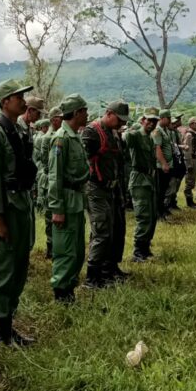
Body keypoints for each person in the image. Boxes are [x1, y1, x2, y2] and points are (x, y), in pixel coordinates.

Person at [0, 80, 37, 345]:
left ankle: (8, 324)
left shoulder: (18, 129)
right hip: (6, 207)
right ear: (5, 101)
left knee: (18, 268)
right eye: (17, 96)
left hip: (21, 204)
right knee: (2, 271)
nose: (23, 100)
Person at [46, 94, 91, 304]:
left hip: (76, 199)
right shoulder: (61, 138)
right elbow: (54, 176)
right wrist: (57, 208)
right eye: (84, 110)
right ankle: (61, 292)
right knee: (65, 250)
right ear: (77, 112)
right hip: (65, 199)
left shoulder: (75, 136)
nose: (87, 114)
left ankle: (69, 288)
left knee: (77, 249)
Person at [82, 101, 130, 287]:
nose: (121, 124)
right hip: (96, 188)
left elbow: (119, 163)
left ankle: (110, 268)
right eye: (119, 119)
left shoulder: (115, 133)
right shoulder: (91, 132)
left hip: (113, 188)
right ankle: (93, 276)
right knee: (102, 231)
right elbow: (82, 162)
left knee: (117, 228)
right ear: (109, 113)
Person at [125, 108, 159, 262]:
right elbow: (125, 138)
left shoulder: (149, 138)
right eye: (149, 120)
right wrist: (131, 126)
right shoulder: (136, 135)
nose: (152, 123)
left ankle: (145, 248)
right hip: (139, 180)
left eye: (155, 121)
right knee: (143, 216)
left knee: (152, 216)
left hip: (149, 180)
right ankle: (138, 251)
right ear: (142, 120)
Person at [35, 106, 62, 259]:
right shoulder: (47, 137)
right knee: (50, 215)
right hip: (49, 180)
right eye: (59, 117)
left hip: (55, 178)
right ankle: (50, 246)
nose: (62, 120)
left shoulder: (59, 135)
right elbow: (46, 161)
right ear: (53, 120)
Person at [151, 110, 174, 222]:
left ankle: (162, 211)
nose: (170, 120)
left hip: (167, 165)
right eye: (168, 118)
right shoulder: (157, 131)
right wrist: (164, 163)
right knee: (159, 191)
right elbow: (157, 148)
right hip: (160, 167)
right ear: (163, 118)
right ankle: (158, 214)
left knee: (164, 190)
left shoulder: (165, 130)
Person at [181, 116, 196, 208]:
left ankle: (191, 200)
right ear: (191, 124)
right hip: (190, 160)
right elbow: (186, 150)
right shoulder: (189, 135)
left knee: (192, 181)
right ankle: (189, 202)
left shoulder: (194, 134)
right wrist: (189, 164)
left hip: (194, 159)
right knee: (189, 181)